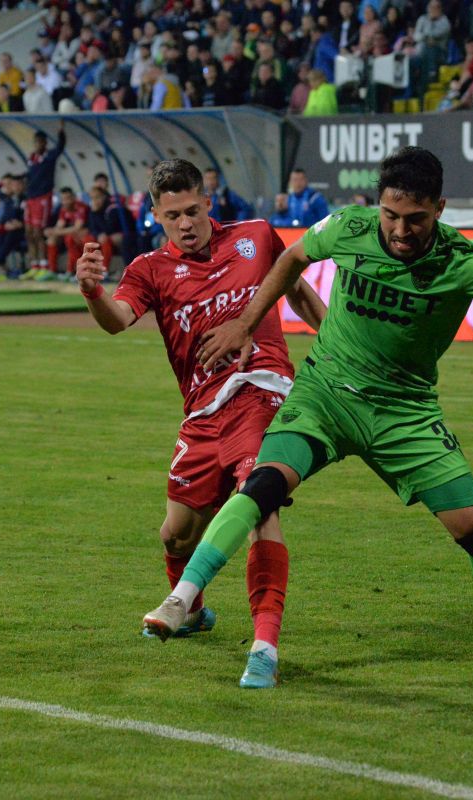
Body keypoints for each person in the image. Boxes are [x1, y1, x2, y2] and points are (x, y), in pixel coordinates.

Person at [142, 147, 473, 689]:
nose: (401, 230)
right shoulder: (347, 226)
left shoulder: (466, 261)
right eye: (391, 216)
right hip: (325, 395)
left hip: (404, 414)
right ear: (378, 205)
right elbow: (290, 260)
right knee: (261, 488)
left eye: (416, 219)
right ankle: (181, 599)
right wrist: (248, 322)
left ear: (440, 208)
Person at [76, 159, 326, 688]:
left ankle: (264, 647)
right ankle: (193, 612)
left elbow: (297, 289)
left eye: (193, 210)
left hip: (262, 391)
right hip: (202, 413)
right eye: (173, 216)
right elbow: (118, 321)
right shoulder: (149, 269)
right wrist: (95, 293)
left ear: (208, 201)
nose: (186, 223)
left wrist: (335, 336)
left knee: (260, 507)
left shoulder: (256, 238)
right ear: (156, 216)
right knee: (175, 535)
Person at [24, 126, 67, 280]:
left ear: (45, 143)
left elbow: (61, 147)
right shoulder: (31, 158)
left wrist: (61, 131)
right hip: (30, 198)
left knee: (38, 231)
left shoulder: (50, 156)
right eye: (35, 142)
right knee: (29, 232)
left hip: (43, 197)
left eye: (40, 142)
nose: (38, 145)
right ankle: (34, 265)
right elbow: (30, 176)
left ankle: (44, 265)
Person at [44, 186, 90, 277]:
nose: (65, 202)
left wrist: (55, 232)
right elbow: (59, 225)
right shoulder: (63, 209)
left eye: (68, 198)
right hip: (71, 235)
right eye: (63, 199)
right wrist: (51, 231)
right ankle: (52, 271)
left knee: (69, 238)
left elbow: (77, 227)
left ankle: (71, 271)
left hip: (85, 234)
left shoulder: (81, 207)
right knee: (52, 239)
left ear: (73, 198)